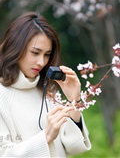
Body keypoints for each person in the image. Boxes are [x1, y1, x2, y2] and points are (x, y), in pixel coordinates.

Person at [0, 11, 91, 157]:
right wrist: (45, 137)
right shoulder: (2, 95)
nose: (42, 62)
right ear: (15, 48)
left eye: (47, 54)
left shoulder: (49, 90)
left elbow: (74, 147)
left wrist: (74, 101)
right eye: (35, 53)